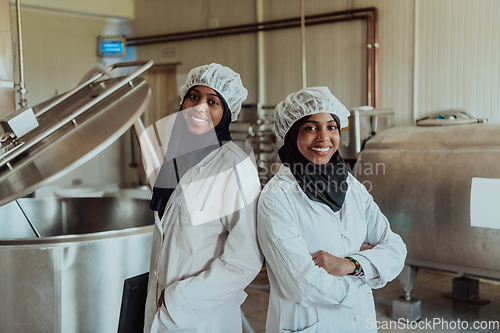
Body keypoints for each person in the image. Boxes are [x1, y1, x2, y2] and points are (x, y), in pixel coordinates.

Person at [257, 87, 407, 332]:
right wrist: (367, 272)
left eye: (331, 127)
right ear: (292, 133)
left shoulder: (351, 185)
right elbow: (302, 284)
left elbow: (396, 249)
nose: (323, 138)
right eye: (311, 127)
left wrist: (350, 265)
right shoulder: (277, 196)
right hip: (311, 323)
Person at [143, 63, 263, 333]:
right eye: (194, 96)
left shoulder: (234, 166)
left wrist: (181, 298)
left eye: (213, 101)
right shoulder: (174, 158)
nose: (199, 107)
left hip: (200, 312)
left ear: (226, 113)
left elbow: (246, 257)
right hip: (162, 305)